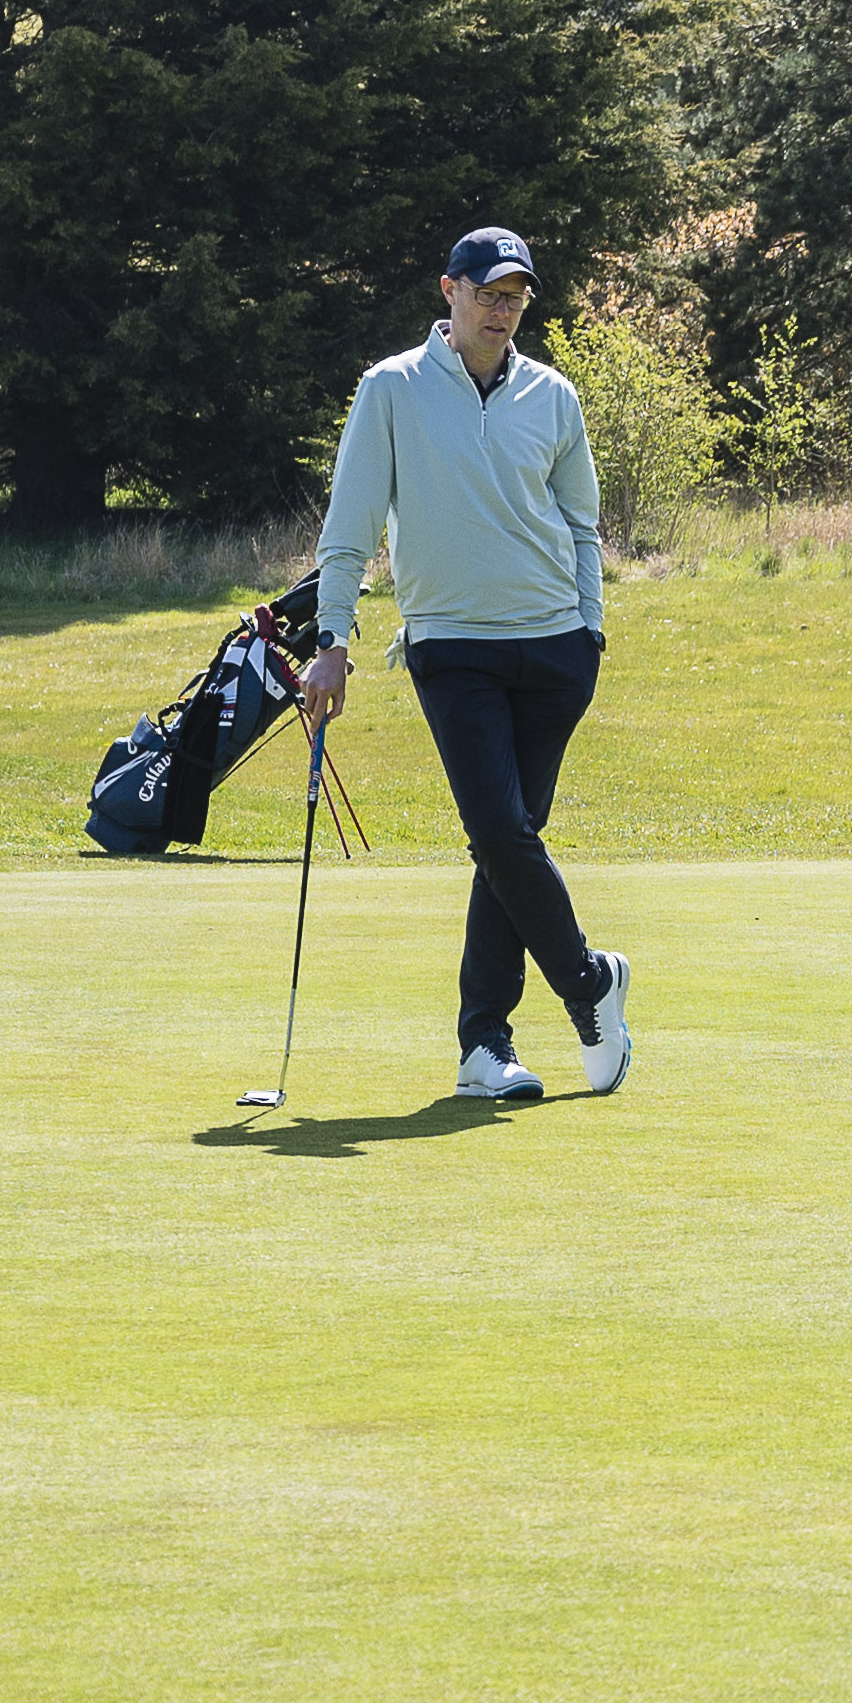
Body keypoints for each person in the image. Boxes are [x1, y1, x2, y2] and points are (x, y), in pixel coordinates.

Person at [300, 226, 631, 1104]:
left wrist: (590, 633)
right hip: (452, 648)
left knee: (506, 848)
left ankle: (485, 1045)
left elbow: (580, 526)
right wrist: (332, 642)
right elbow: (350, 527)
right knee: (498, 832)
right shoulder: (393, 390)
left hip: (557, 649)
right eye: (488, 293)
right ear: (448, 292)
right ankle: (589, 985)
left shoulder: (554, 397)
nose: (503, 309)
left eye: (516, 296)